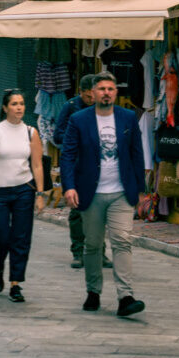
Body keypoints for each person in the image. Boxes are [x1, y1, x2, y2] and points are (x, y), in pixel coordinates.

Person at [60, 72, 146, 318]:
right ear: (93, 93)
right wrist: (69, 186)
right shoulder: (79, 119)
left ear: (116, 92)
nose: (106, 92)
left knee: (122, 241)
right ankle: (93, 291)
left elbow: (137, 155)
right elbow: (67, 155)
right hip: (91, 192)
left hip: (121, 192)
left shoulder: (128, 118)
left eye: (110, 88)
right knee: (93, 245)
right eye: (101, 89)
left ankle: (126, 296)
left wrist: (140, 190)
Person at [0, 90, 45, 303]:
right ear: (5, 108)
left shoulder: (31, 132)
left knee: (21, 237)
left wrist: (40, 193)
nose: (19, 107)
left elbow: (37, 164)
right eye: (14, 104)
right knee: (2, 237)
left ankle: (16, 282)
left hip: (24, 189)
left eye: (22, 103)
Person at [53, 74, 111, 270]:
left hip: (100, 164)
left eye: (93, 96)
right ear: (81, 93)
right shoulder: (70, 107)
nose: (91, 100)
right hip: (77, 164)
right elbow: (57, 134)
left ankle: (99, 252)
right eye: (87, 97)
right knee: (77, 211)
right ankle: (78, 252)